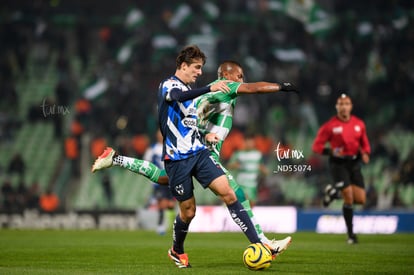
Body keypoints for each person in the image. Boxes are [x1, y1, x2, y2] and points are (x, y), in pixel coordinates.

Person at [92, 59, 297, 262]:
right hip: (199, 151)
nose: (242, 79)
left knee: (166, 180)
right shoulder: (226, 88)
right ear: (226, 76)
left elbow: (192, 117)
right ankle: (263, 242)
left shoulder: (212, 96)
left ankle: (116, 159)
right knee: (234, 192)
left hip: (195, 148)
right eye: (239, 75)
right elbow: (255, 88)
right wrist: (281, 86)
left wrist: (202, 133)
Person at [312, 93, 371, 244]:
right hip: (338, 163)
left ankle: (333, 193)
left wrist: (365, 154)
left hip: (354, 164)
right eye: (341, 104)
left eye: (347, 104)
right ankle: (351, 235)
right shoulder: (330, 126)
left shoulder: (359, 124)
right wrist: (330, 151)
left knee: (361, 199)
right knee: (349, 197)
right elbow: (317, 147)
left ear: (351, 106)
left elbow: (365, 145)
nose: (344, 107)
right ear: (337, 107)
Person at [143, 129, 176, 235]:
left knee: (171, 204)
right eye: (159, 134)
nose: (160, 136)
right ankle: (161, 226)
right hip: (158, 180)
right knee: (162, 204)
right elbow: (146, 162)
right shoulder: (152, 149)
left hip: (170, 179)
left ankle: (173, 225)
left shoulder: (171, 147)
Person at [227, 134, 268, 207]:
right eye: (248, 142)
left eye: (251, 142)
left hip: (252, 185)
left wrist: (264, 171)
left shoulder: (257, 154)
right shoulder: (238, 154)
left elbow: (261, 167)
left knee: (251, 205)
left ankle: (248, 218)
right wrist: (235, 165)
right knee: (243, 203)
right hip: (241, 184)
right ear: (244, 142)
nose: (250, 144)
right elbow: (229, 166)